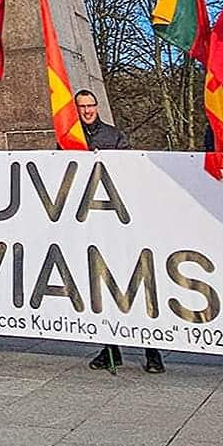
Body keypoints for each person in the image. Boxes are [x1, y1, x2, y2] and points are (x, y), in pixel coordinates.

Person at [74, 97, 165, 374]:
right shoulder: (70, 137)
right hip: (89, 222)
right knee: (100, 288)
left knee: (135, 286)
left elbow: (130, 170)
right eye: (82, 107)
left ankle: (152, 350)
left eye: (91, 106)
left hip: (119, 223)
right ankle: (111, 348)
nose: (88, 111)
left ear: (97, 107)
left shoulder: (113, 135)